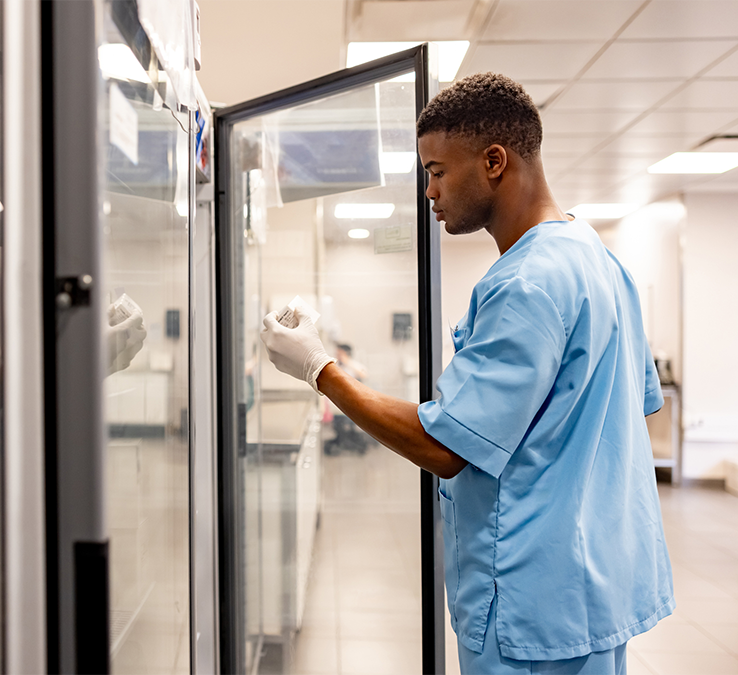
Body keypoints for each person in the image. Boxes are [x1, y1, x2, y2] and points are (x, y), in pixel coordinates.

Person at [261, 72, 673, 675]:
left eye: (435, 171)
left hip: (532, 603)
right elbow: (626, 409)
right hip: (597, 587)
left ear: (495, 161)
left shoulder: (525, 285)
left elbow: (445, 445)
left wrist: (319, 368)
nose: (428, 190)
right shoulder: (599, 260)